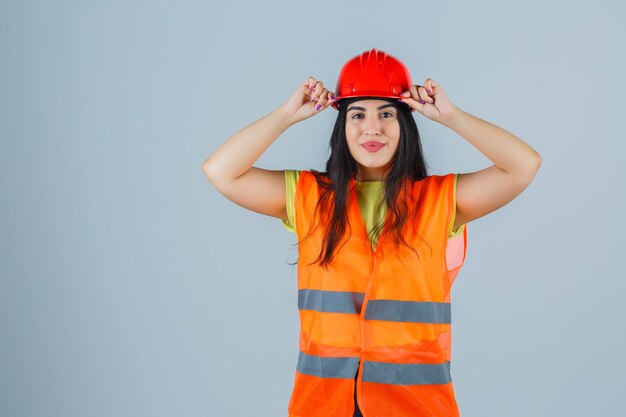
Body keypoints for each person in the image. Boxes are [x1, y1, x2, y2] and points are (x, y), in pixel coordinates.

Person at [202, 48, 541, 417]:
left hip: (416, 408)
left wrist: (452, 117)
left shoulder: (440, 200)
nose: (372, 128)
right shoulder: (308, 196)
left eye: (386, 114)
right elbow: (221, 171)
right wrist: (285, 116)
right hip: (323, 406)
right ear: (342, 126)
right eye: (358, 114)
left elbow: (523, 165)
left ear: (405, 125)